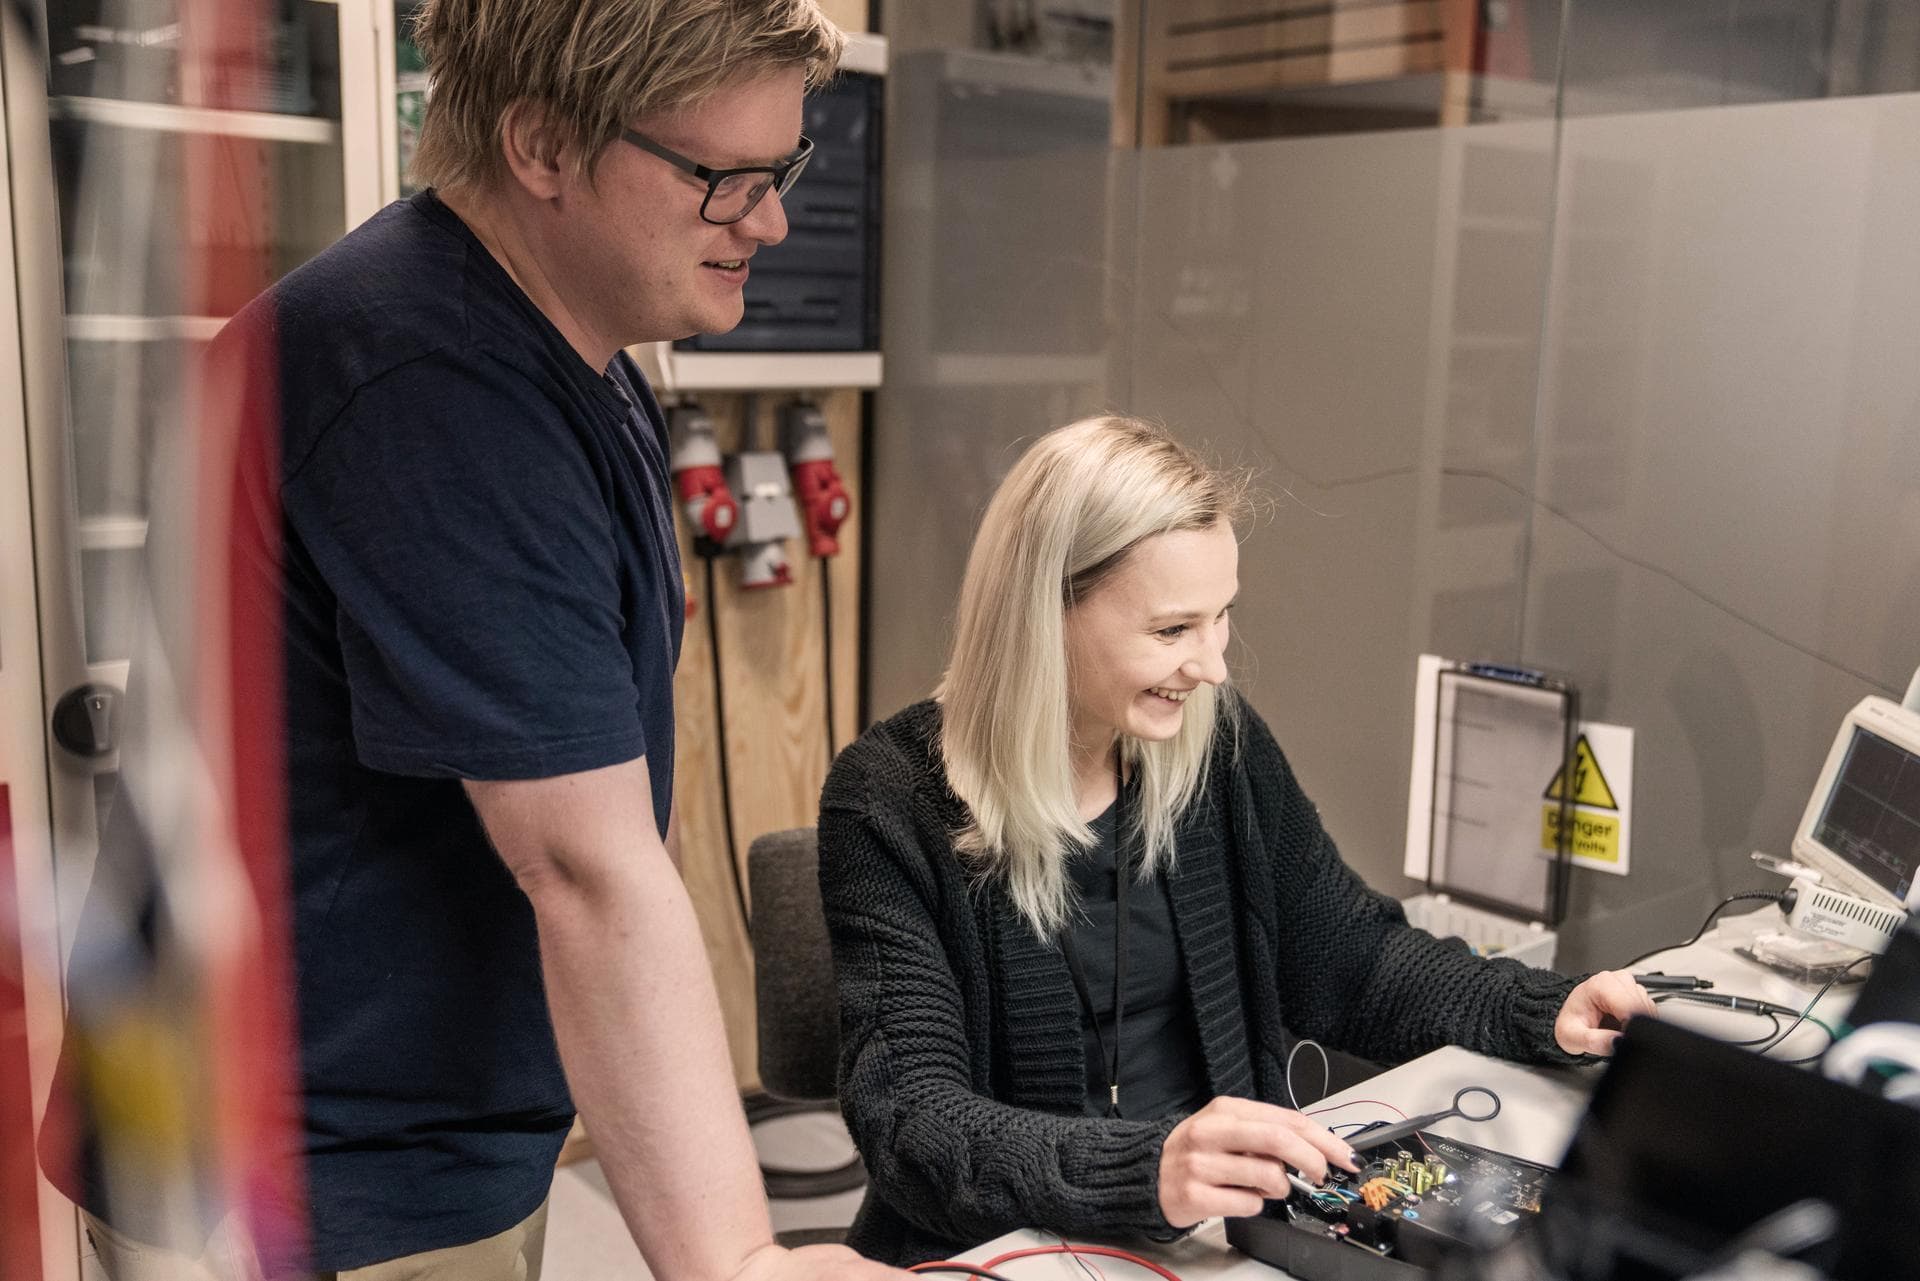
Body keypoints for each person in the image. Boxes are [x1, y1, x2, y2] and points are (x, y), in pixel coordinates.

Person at [50, 2, 907, 1278]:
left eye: (781, 171)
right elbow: (585, 869)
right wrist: (740, 1262)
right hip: (304, 1169)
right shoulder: (429, 381)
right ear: (544, 146)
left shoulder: (565, 348)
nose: (768, 222)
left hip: (406, 1128)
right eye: (723, 178)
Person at [817, 415, 1657, 1266]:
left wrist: (1541, 1008)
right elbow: (912, 1121)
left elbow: (1351, 958)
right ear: (1045, 614)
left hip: (1215, 1234)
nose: (1213, 665)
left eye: (1221, 616)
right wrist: (1148, 1169)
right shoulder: (887, 800)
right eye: (1172, 630)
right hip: (1009, 1247)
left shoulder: (1213, 742)